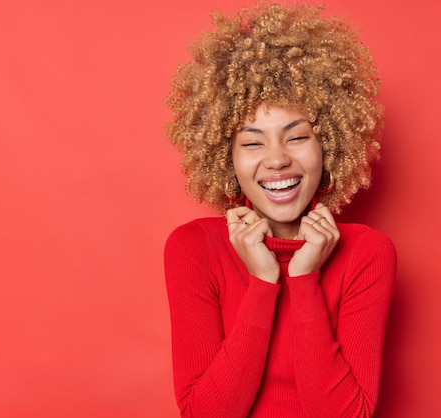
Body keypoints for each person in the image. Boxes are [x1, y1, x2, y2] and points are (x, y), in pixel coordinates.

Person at [163, 2, 396, 417]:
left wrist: (304, 279)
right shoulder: (193, 248)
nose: (276, 160)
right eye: (253, 142)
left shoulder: (367, 253)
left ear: (329, 144)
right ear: (225, 156)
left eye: (297, 137)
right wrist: (264, 281)